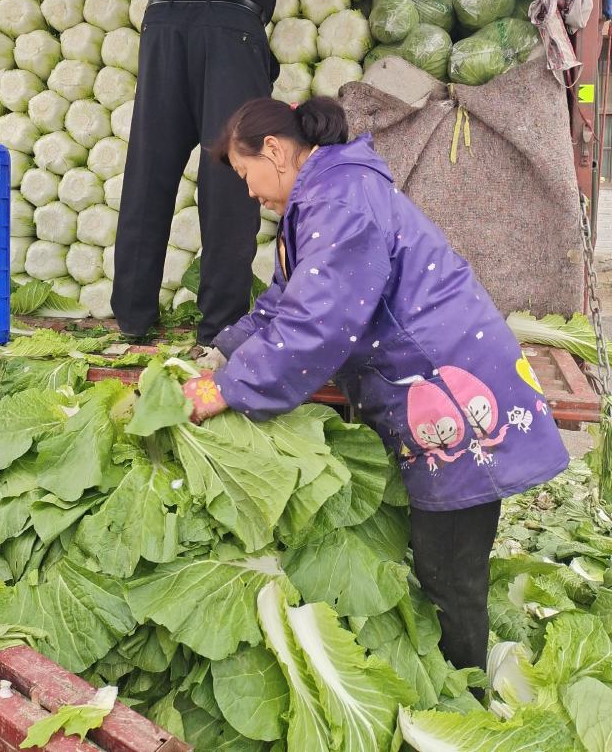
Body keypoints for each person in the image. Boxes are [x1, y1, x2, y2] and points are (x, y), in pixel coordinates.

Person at [182, 95, 570, 673]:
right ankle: (453, 681)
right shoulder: (324, 195)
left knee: (449, 571)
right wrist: (218, 355)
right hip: (432, 379)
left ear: (273, 150)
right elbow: (287, 304)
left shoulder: (339, 200)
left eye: (245, 175)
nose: (249, 192)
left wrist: (229, 388)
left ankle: (467, 700)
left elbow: (319, 323)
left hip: (454, 388)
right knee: (439, 556)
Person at [112, 0, 338, 344]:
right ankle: (219, 327)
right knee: (231, 175)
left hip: (162, 27)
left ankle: (133, 320)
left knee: (149, 171)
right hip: (231, 29)